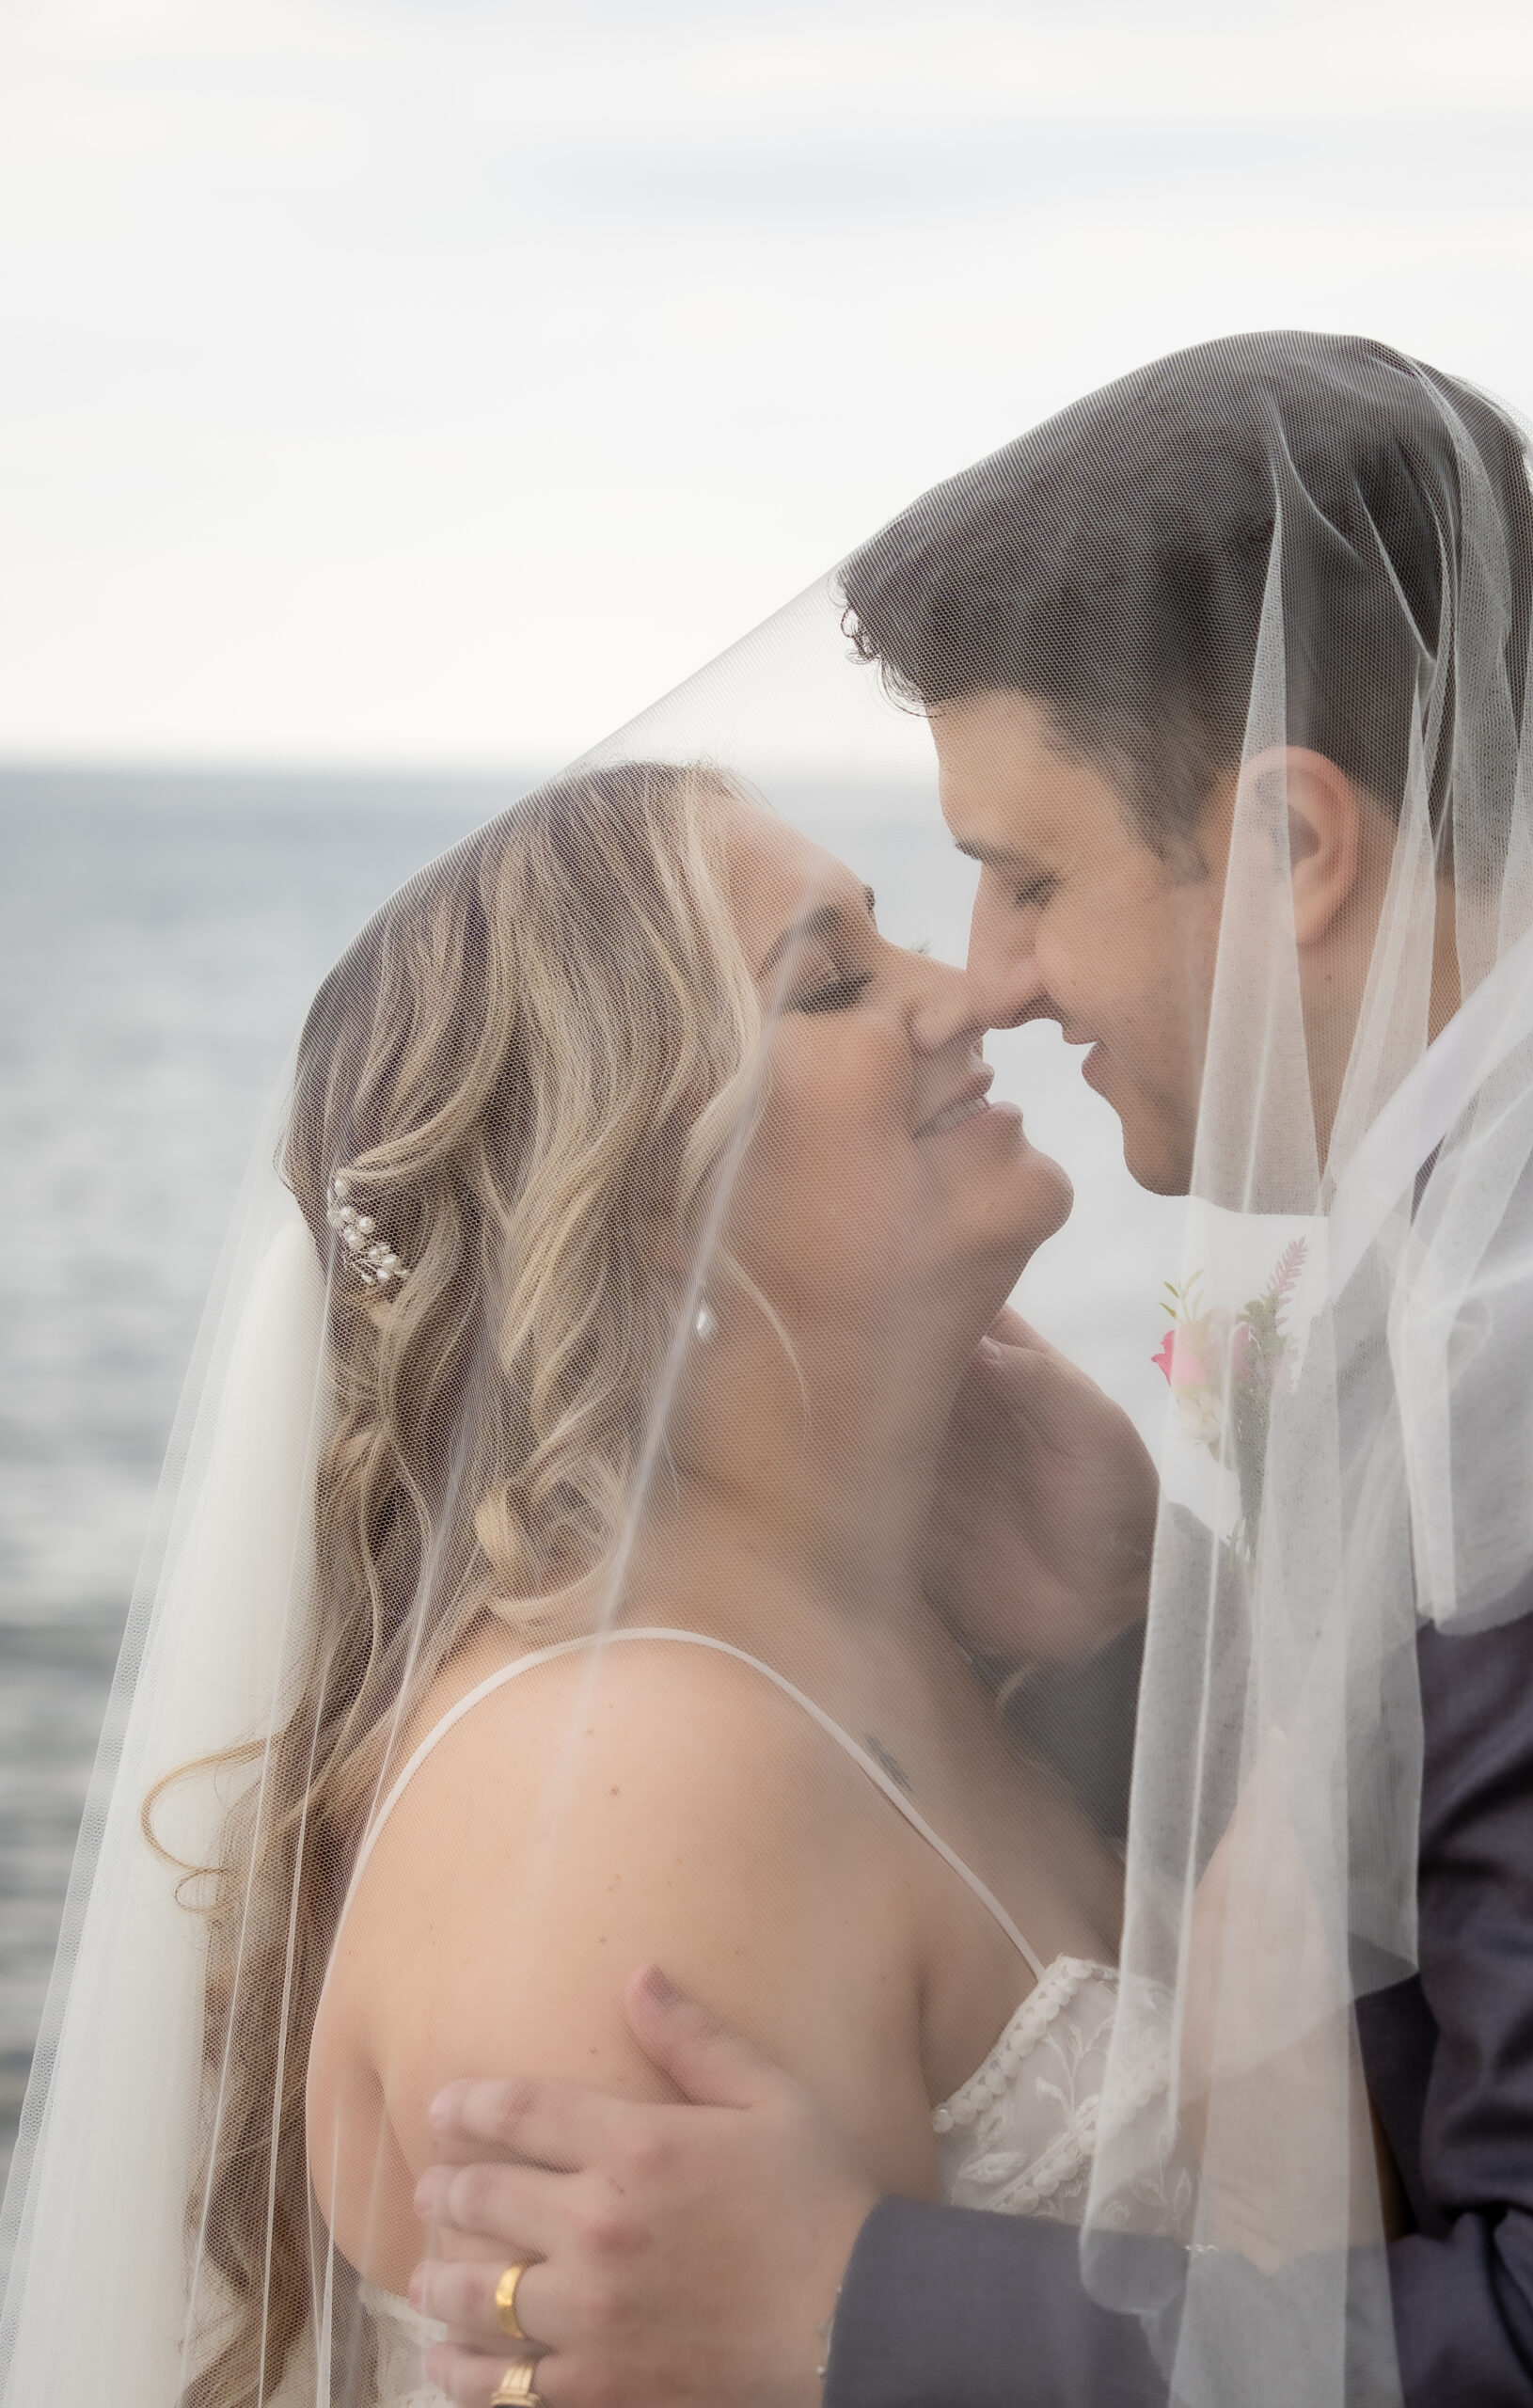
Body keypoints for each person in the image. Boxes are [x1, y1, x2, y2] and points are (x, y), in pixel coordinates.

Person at [413, 336, 1533, 2408]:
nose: (991, 974)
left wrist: (843, 2304)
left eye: (1032, 874)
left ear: (1292, 844)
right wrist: (1163, 1619)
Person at [0, 760, 1160, 2407]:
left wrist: (1136, 1615)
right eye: (829, 980)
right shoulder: (636, 1789)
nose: (972, 991)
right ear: (649, 1196)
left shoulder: (924, 1633)